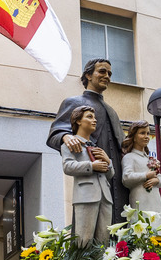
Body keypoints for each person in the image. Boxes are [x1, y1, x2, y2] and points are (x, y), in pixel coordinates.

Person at [49, 59, 129, 224]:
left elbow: (123, 147)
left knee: (120, 228)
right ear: (88, 75)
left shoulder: (112, 112)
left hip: (115, 175)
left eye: (109, 73)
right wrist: (66, 136)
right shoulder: (74, 103)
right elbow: (54, 135)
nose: (107, 76)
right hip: (91, 179)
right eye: (102, 71)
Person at [62, 105, 116, 246]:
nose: (94, 120)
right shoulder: (70, 144)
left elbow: (110, 174)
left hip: (105, 197)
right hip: (85, 196)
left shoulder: (97, 147)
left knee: (102, 243)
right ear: (78, 121)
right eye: (89, 117)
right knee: (83, 242)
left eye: (95, 118)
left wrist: (108, 161)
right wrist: (92, 166)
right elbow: (67, 167)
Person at [121, 121, 161, 224]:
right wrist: (146, 175)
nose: (146, 136)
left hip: (155, 200)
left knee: (158, 226)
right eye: (142, 133)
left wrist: (156, 180)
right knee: (143, 225)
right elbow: (126, 178)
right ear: (134, 137)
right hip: (140, 199)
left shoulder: (150, 159)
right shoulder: (129, 157)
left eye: (148, 133)